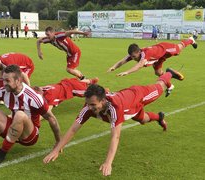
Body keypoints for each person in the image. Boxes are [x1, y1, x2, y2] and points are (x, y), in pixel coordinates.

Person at [43, 68, 184, 176]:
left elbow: (115, 136)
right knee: (143, 119)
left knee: (160, 86)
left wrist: (108, 162)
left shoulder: (114, 108)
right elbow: (73, 129)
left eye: (93, 105)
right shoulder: (88, 108)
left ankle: (168, 74)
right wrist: (56, 150)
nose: (90, 108)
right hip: (129, 109)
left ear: (103, 101)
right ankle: (159, 117)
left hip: (138, 95)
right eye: (88, 104)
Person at [108, 37, 198, 78]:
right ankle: (170, 82)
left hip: (165, 49)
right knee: (158, 73)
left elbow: (139, 66)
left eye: (134, 57)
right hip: (157, 57)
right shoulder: (134, 53)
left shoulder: (145, 54)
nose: (133, 59)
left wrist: (127, 72)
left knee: (179, 48)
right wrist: (113, 67)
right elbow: (122, 61)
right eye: (132, 57)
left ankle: (191, 40)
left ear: (139, 52)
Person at [34, 77, 99, 111]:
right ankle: (91, 81)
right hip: (69, 83)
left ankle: (105, 91)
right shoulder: (41, 90)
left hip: (71, 88)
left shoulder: (49, 97)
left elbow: (46, 112)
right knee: (78, 83)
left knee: (88, 93)